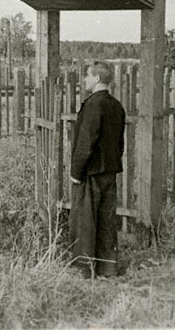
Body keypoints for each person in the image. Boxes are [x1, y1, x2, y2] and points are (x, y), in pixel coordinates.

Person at [69, 61, 126, 279]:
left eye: (87, 76)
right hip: (109, 171)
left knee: (85, 221)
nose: (85, 79)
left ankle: (83, 270)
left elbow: (86, 142)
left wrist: (76, 172)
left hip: (91, 172)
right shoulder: (116, 105)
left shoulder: (93, 105)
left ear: (97, 79)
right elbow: (119, 143)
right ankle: (108, 268)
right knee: (106, 221)